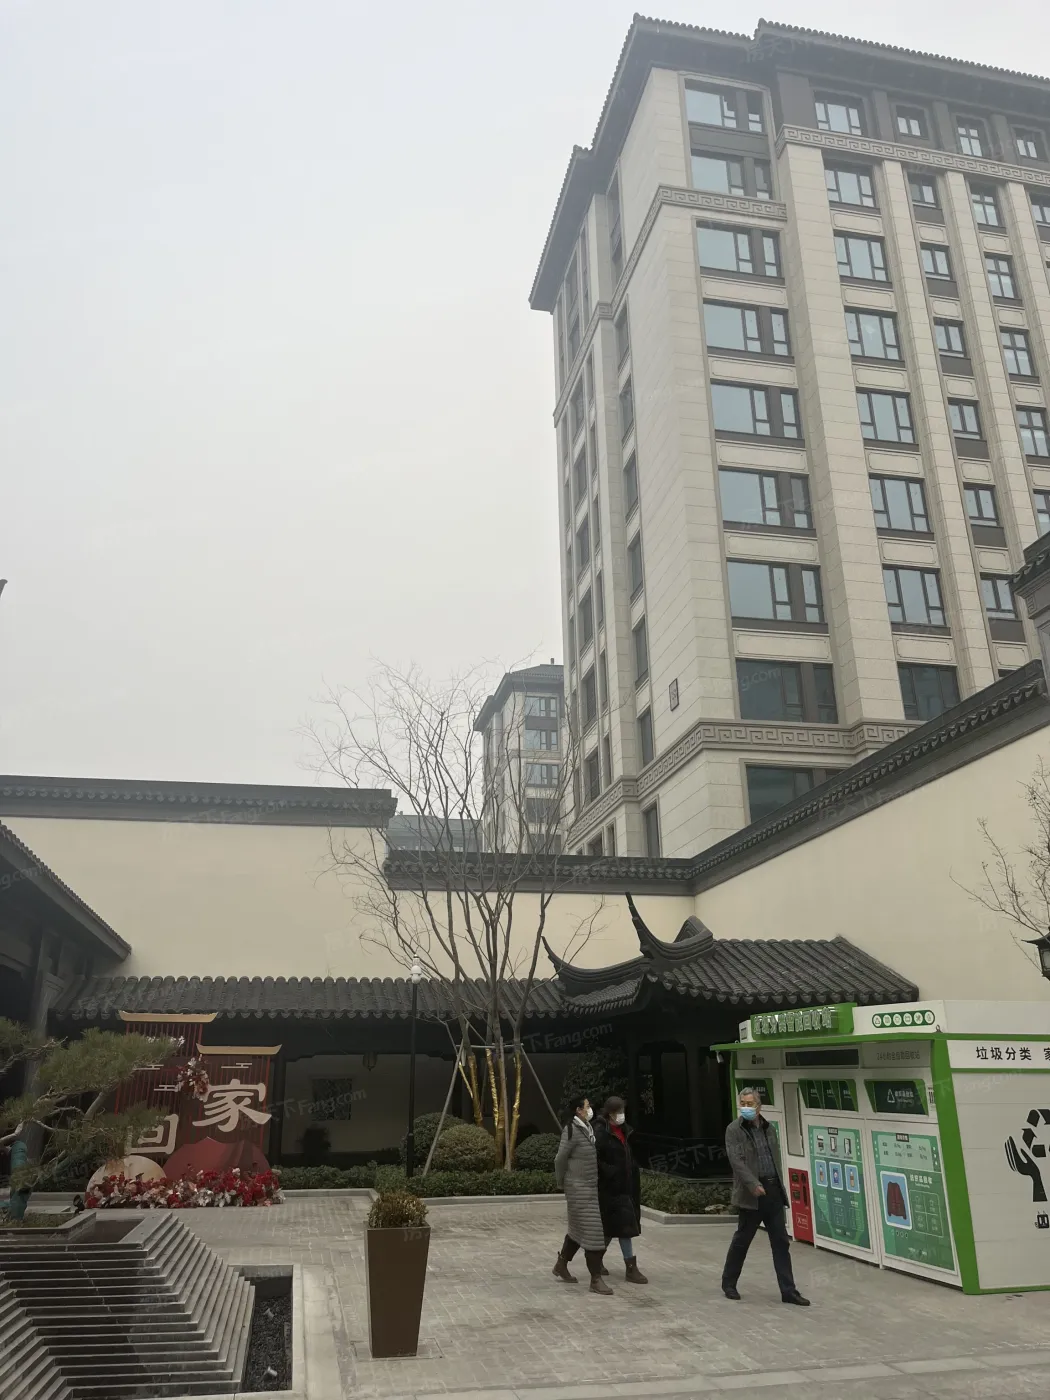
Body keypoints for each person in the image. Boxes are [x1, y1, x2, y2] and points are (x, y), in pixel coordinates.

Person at [721, 1088, 810, 1306]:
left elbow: (774, 1158)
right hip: (751, 1193)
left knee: (781, 1242)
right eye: (743, 1103)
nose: (745, 1107)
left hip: (772, 1191)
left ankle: (788, 1291)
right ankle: (729, 1283)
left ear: (759, 1107)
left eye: (750, 1103)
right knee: (742, 1240)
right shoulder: (734, 1130)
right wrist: (753, 1183)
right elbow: (736, 1161)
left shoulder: (769, 1128)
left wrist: (776, 1186)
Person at [553, 1094, 613, 1294]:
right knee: (593, 1232)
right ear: (578, 1110)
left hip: (589, 1187)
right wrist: (561, 1182)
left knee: (578, 1230)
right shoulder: (571, 1130)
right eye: (587, 1106)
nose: (590, 1109)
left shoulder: (586, 1128)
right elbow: (560, 1159)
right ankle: (595, 1279)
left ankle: (561, 1264)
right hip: (578, 1189)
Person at [594, 1096, 647, 1284]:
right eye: (618, 1112)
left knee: (611, 1228)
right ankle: (630, 1268)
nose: (621, 1115)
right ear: (609, 1113)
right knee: (624, 1228)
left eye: (623, 1111)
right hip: (610, 1188)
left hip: (626, 1186)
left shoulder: (625, 1131)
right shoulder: (601, 1132)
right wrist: (610, 1172)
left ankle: (596, 1259)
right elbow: (595, 1159)